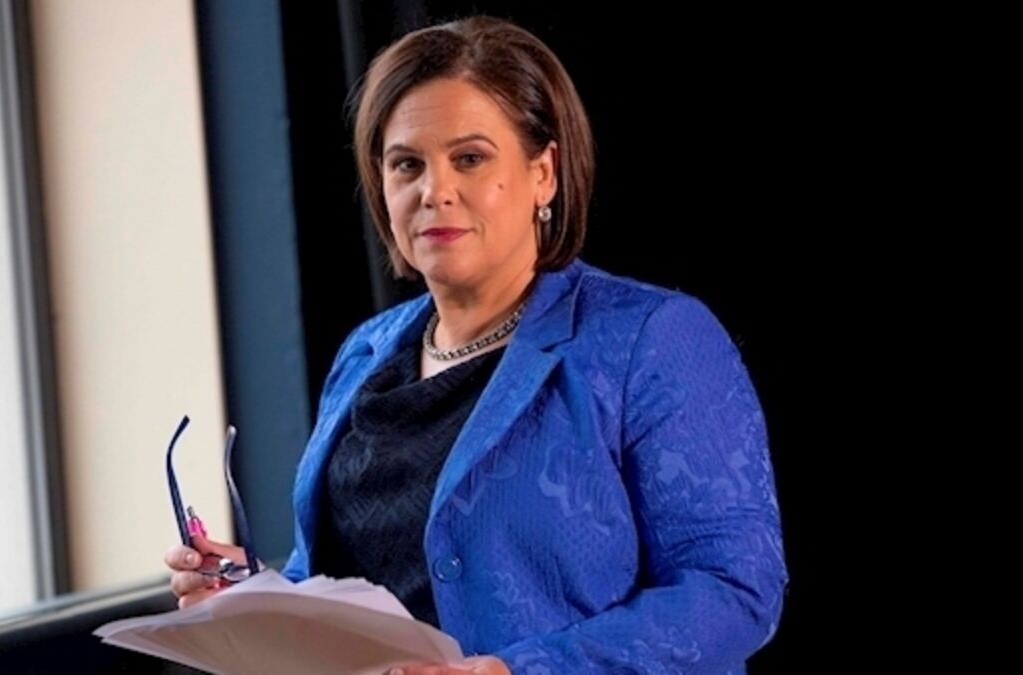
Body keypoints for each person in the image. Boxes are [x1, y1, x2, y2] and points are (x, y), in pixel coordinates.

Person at [166, 15, 787, 674]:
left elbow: (734, 591)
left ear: (544, 173)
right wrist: (255, 595)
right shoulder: (364, 354)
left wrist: (516, 672)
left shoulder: (650, 340)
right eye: (407, 164)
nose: (434, 191)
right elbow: (346, 582)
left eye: (469, 158)